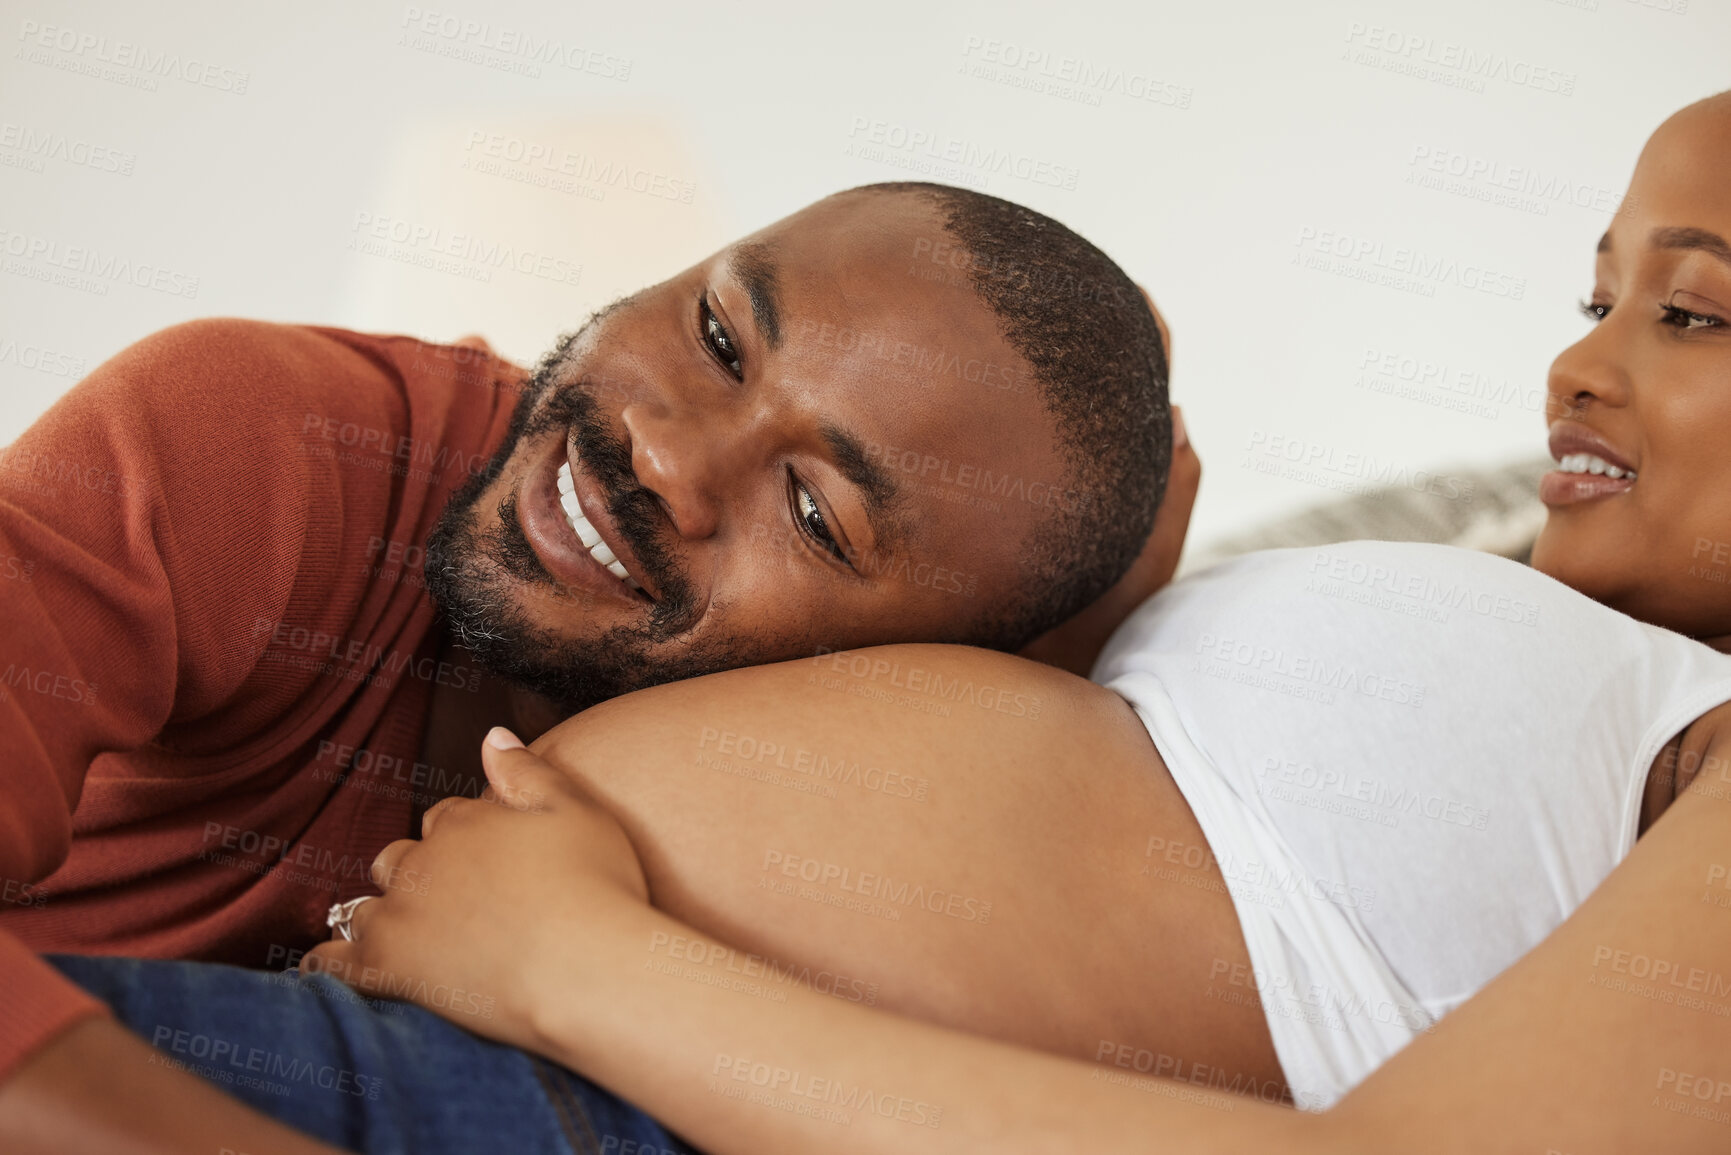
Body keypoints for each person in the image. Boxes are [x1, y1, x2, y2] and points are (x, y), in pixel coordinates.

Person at [0, 182, 1193, 1152]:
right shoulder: (263, 442)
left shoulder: (849, 814)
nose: (666, 453)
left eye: (816, 516)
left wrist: (1096, 645)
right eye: (720, 335)